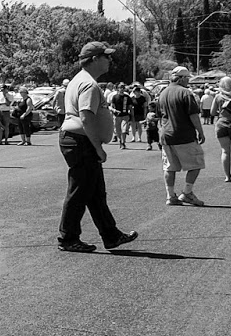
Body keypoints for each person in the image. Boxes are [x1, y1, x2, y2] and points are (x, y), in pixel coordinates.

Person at [57, 41, 138, 253]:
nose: (110, 60)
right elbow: (86, 117)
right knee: (79, 191)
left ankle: (111, 235)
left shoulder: (81, 80)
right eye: (106, 56)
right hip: (80, 141)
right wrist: (98, 147)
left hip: (77, 139)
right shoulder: (88, 84)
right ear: (94, 60)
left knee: (94, 192)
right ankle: (67, 238)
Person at [157, 66, 206, 206]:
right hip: (183, 134)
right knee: (196, 164)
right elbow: (193, 115)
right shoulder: (185, 93)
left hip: (166, 135)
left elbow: (159, 115)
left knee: (169, 167)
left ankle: (170, 196)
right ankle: (187, 193)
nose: (188, 82)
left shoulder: (163, 92)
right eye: (187, 78)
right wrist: (200, 132)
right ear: (182, 78)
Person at [108, 82, 131, 150]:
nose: (122, 89)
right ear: (117, 89)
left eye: (123, 88)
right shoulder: (115, 97)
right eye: (120, 88)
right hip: (117, 116)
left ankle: (123, 142)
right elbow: (111, 107)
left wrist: (131, 115)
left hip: (125, 116)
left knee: (124, 130)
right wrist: (114, 111)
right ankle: (120, 141)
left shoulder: (127, 97)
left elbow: (130, 107)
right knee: (118, 131)